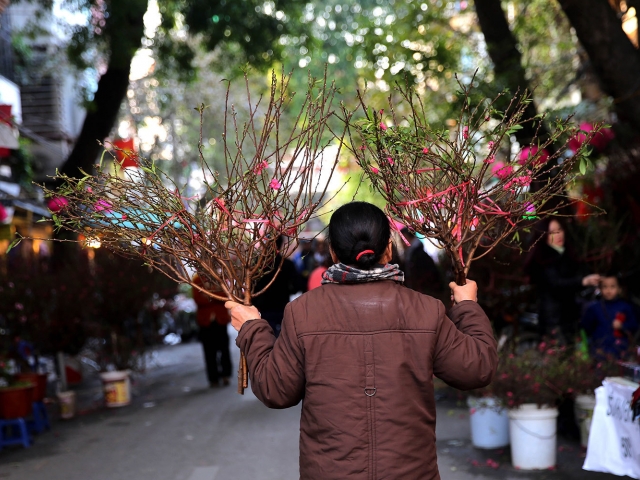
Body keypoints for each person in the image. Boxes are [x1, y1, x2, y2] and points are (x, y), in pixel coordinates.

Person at [225, 201, 497, 479]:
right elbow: (478, 368)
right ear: (388, 248)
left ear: (332, 252)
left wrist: (251, 329)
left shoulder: (303, 312)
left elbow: (276, 390)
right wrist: (467, 306)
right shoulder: (426, 310)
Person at [524, 217, 600, 344]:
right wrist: (583, 281)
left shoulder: (564, 254)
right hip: (554, 319)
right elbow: (556, 283)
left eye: (560, 230)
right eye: (552, 232)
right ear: (543, 236)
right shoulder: (544, 260)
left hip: (569, 316)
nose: (558, 234)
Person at [252, 236, 303, 338]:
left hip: (264, 308)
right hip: (281, 306)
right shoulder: (287, 264)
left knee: (266, 340)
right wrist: (288, 291)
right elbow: (298, 285)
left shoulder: (258, 264)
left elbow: (251, 287)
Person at [580, 273, 638, 358]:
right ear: (600, 289)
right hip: (600, 350)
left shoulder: (625, 306)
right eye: (605, 287)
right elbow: (586, 326)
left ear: (619, 289)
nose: (608, 290)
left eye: (612, 286)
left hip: (621, 350)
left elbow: (634, 325)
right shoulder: (594, 308)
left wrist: (622, 326)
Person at [192, 273, 232, 387]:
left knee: (224, 349)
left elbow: (225, 295)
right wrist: (215, 295)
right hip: (206, 322)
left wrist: (208, 295)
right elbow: (198, 299)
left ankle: (226, 374)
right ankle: (213, 378)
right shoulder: (196, 280)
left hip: (220, 319)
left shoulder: (219, 277)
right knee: (209, 351)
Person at [401, 227, 443, 298]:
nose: (402, 243)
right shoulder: (410, 255)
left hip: (424, 296)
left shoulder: (418, 255)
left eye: (403, 239)